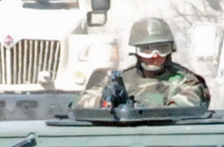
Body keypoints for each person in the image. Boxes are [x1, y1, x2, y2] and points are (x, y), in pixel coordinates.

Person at [76, 17, 210, 109]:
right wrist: (107, 101)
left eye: (162, 49)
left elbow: (181, 109)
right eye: (147, 50)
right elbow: (79, 104)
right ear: (136, 52)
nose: (154, 56)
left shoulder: (186, 81)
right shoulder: (120, 80)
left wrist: (138, 107)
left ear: (170, 50)